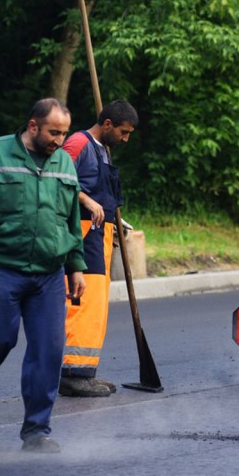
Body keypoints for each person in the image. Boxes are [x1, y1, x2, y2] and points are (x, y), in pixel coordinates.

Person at [0, 98, 86, 453]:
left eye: (65, 132)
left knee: (50, 350)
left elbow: (69, 220)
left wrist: (76, 267)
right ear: (33, 125)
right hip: (1, 269)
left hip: (48, 275)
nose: (59, 139)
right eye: (54, 132)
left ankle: (37, 431)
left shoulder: (65, 163)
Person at [58, 100, 139, 397]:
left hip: (99, 234)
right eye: (123, 132)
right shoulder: (78, 143)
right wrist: (87, 201)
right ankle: (72, 373)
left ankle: (85, 371)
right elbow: (58, 181)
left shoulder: (103, 149)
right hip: (80, 233)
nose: (126, 138)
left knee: (97, 306)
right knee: (83, 303)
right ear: (107, 125)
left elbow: (102, 193)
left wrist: (117, 223)